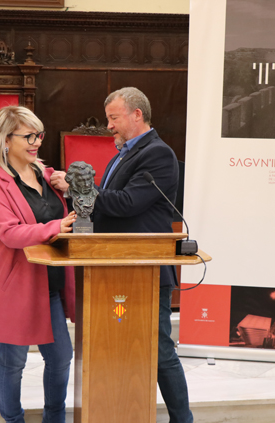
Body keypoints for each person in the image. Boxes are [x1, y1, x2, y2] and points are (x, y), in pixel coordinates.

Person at [51, 87, 193, 423]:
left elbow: (128, 203)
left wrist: (77, 189)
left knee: (159, 350)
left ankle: (183, 419)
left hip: (145, 267)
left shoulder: (157, 154)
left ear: (137, 115)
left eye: (114, 118)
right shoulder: (122, 153)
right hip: (114, 265)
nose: (109, 126)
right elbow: (111, 201)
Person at [0, 106, 77, 423]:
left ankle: (54, 418)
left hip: (49, 282)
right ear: (5, 140)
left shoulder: (46, 175)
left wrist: (70, 188)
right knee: (13, 362)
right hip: (14, 284)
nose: (36, 142)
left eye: (39, 135)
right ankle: (14, 420)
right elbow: (9, 233)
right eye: (29, 136)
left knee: (61, 357)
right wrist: (55, 227)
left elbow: (69, 212)